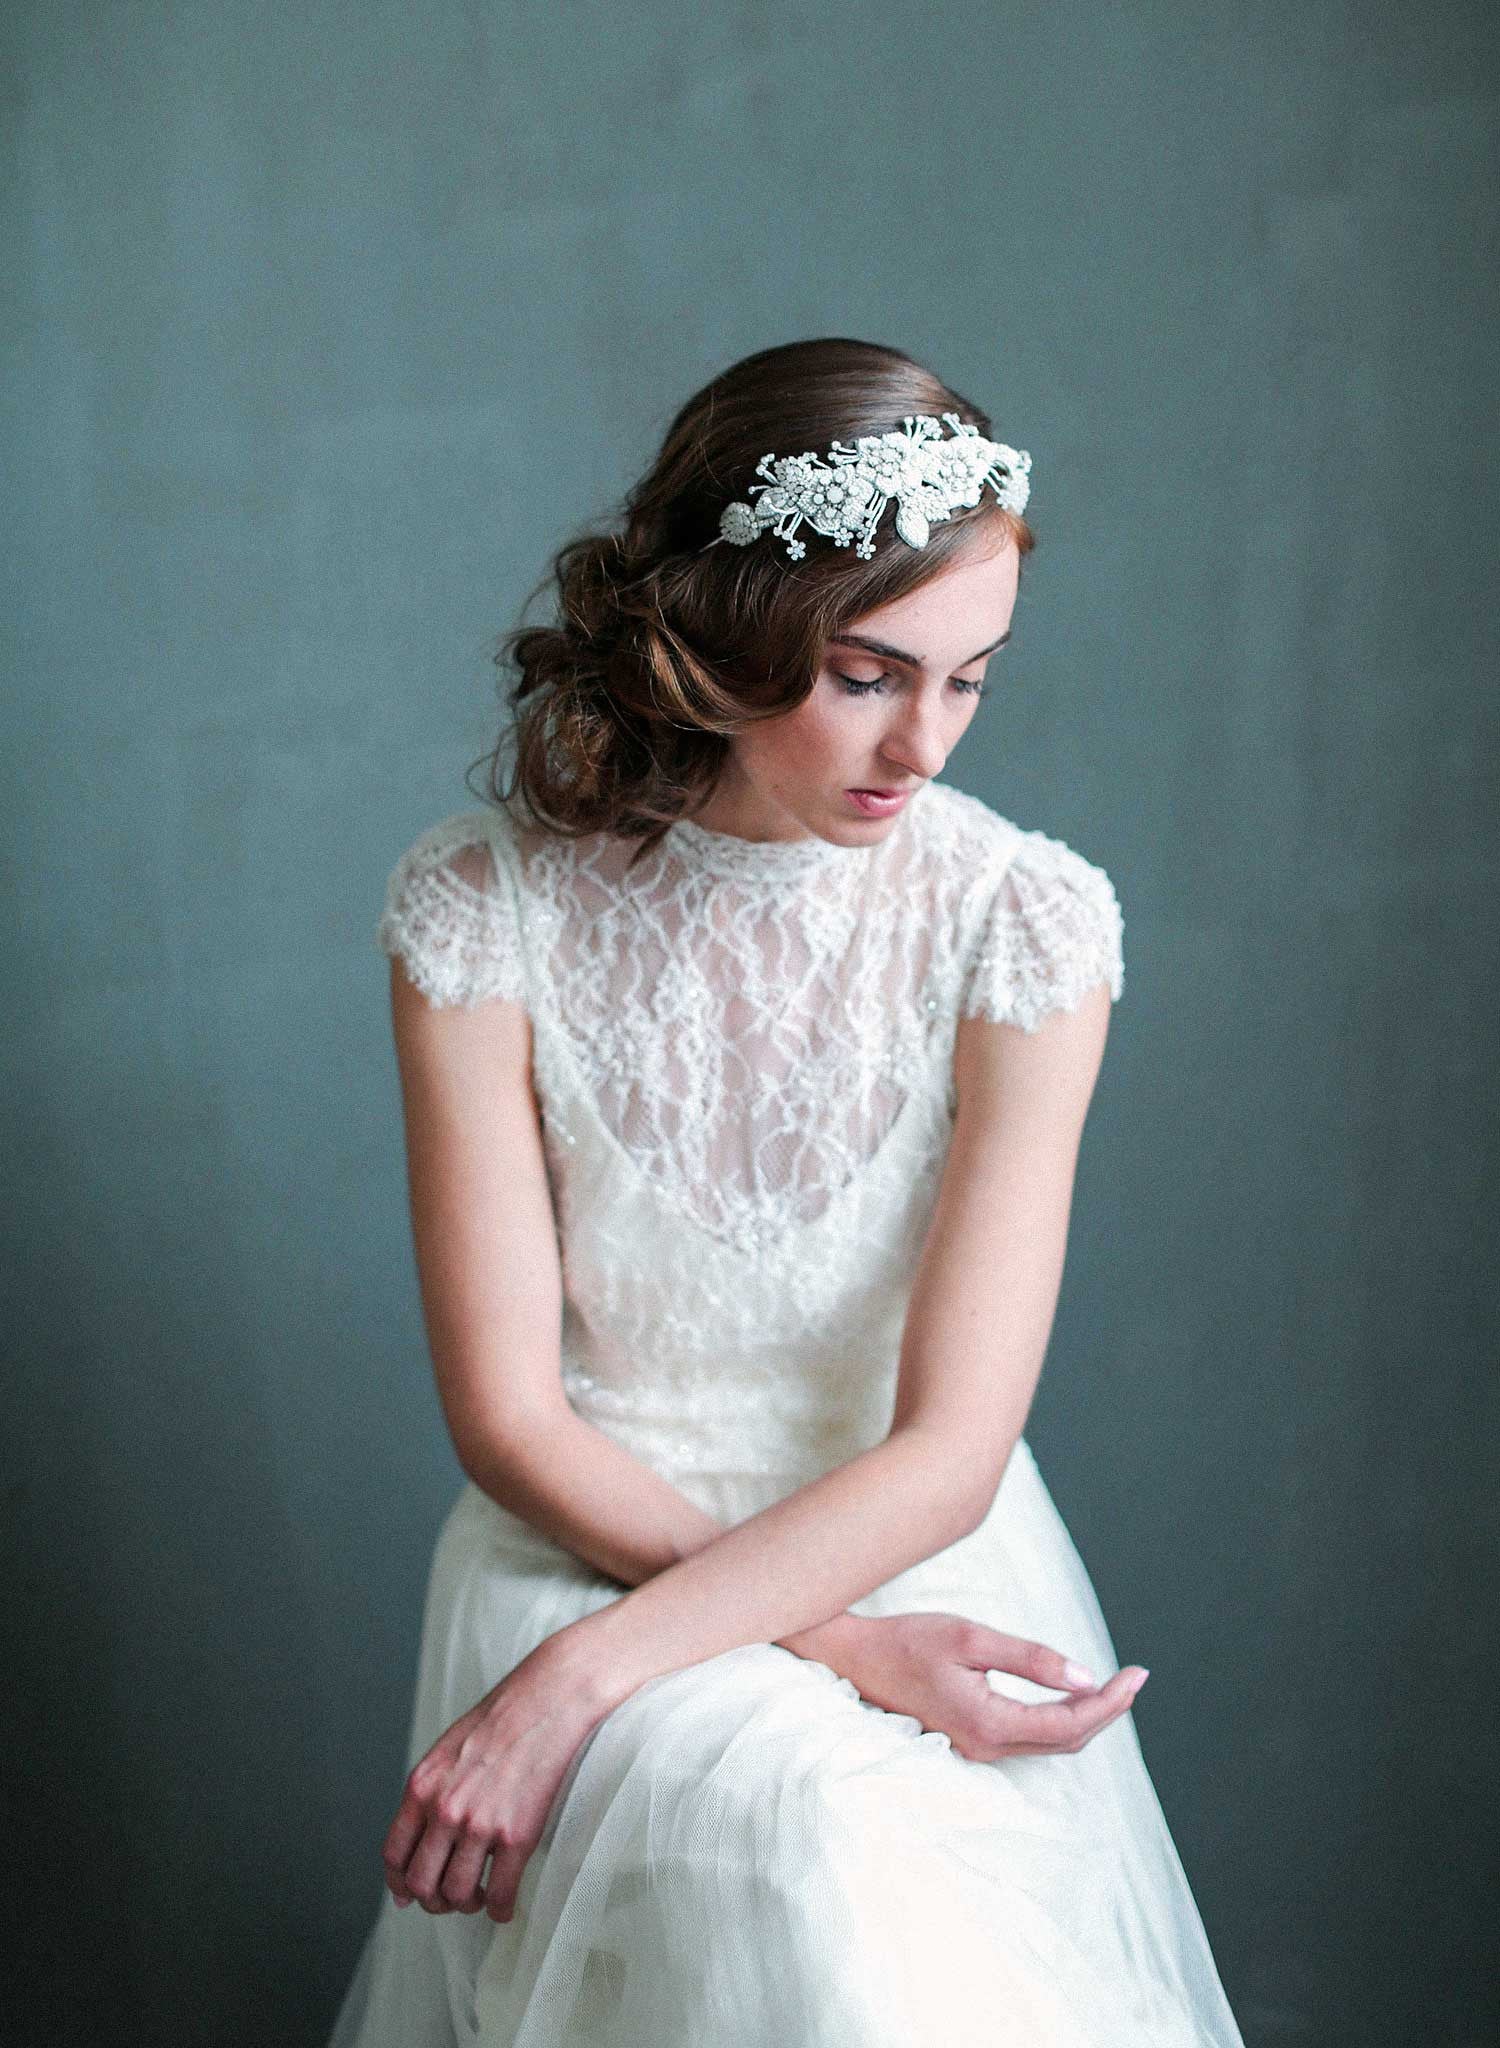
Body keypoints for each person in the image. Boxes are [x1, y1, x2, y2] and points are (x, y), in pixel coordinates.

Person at [327, 337, 1246, 2046]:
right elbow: (511, 1416)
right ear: (722, 631)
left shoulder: (1023, 925)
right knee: (794, 1844)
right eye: (865, 672)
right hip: (578, 1537)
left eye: (971, 681)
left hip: (906, 1545)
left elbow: (951, 1453)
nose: (924, 745)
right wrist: (790, 1651)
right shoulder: (482, 906)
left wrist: (599, 1683)